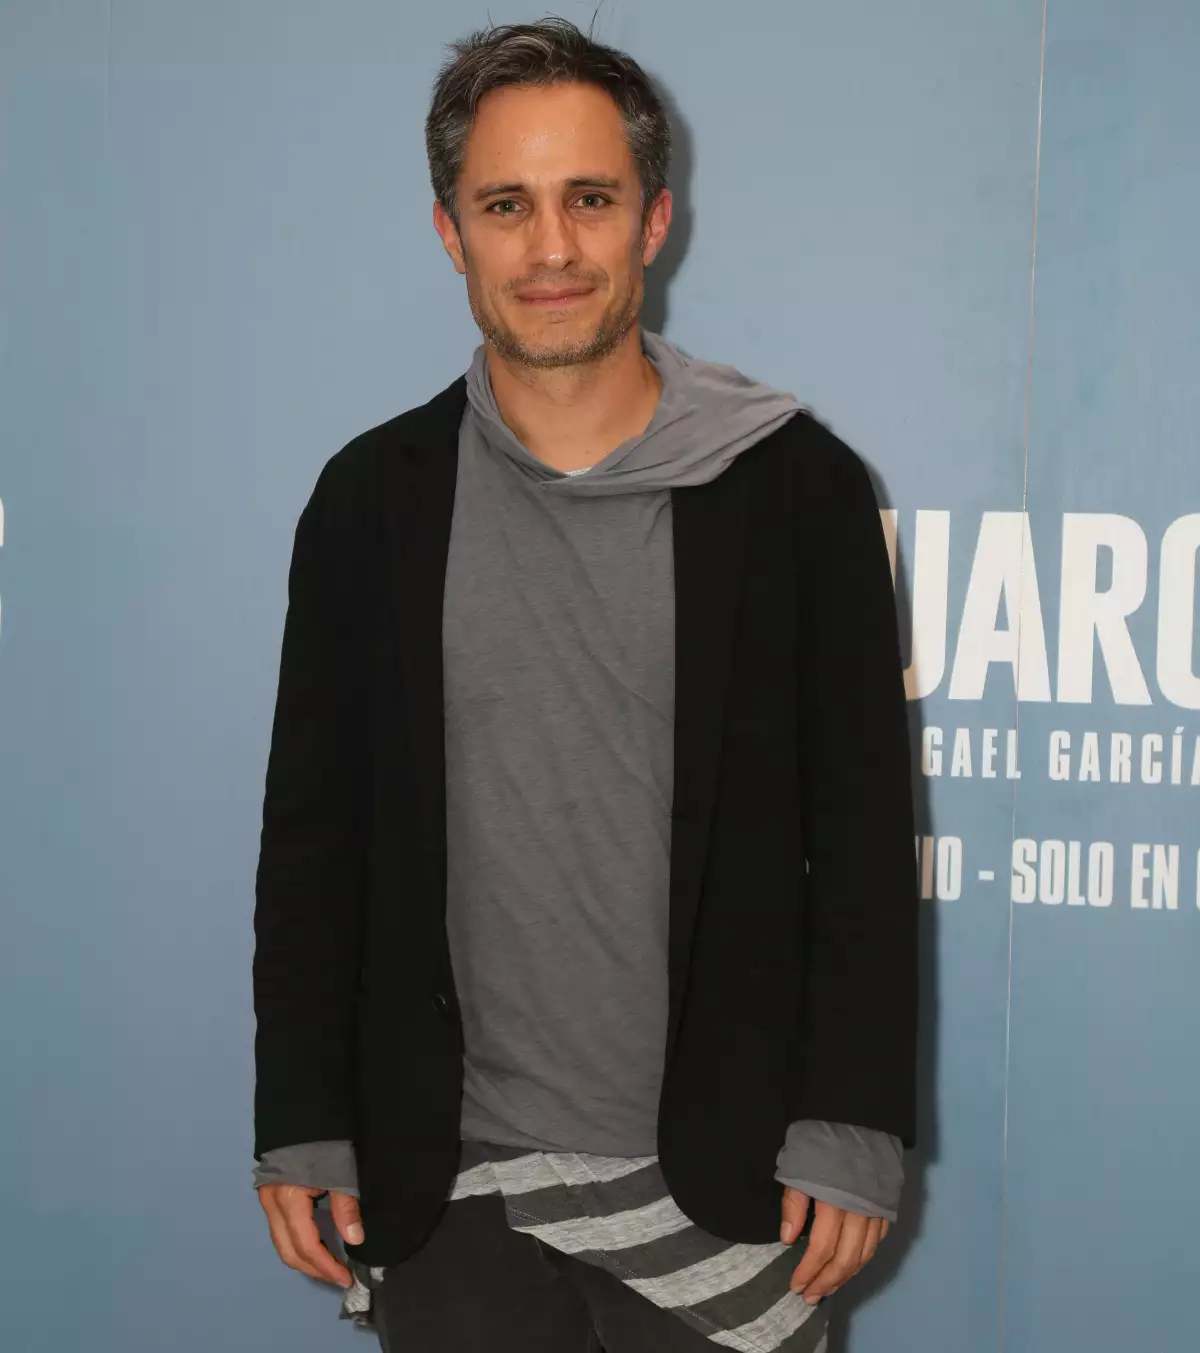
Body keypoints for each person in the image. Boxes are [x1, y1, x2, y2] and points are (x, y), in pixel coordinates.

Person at [251, 17, 917, 1352]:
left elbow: (858, 838)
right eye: (506, 205)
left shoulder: (797, 490)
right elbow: (316, 841)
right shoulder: (371, 501)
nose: (550, 248)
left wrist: (854, 1119)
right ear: (451, 233)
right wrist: (304, 1115)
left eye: (590, 200)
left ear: (654, 220)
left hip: (731, 1187)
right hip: (450, 1184)